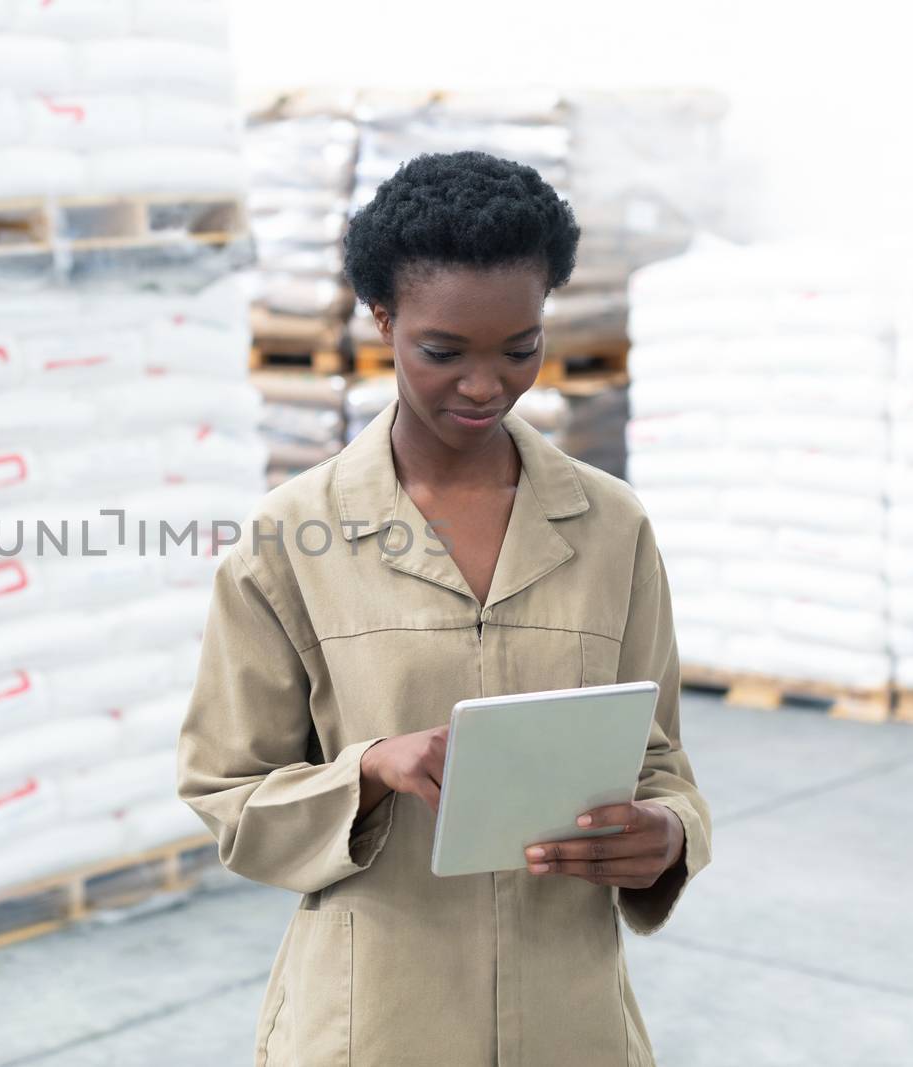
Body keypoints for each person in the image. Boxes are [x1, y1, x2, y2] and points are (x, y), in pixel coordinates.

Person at [175, 151, 712, 1066]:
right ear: (383, 320)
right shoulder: (291, 536)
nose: (485, 385)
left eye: (519, 348)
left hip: (568, 1018)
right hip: (373, 1018)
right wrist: (371, 769)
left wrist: (666, 837)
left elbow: (657, 757)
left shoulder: (611, 527)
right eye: (443, 351)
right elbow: (229, 793)